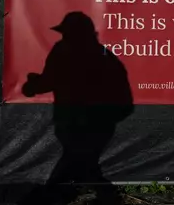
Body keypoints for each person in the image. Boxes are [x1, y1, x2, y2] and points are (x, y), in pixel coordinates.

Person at [22, 12, 134, 184]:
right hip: (96, 122)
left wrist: (32, 86)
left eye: (68, 32)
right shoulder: (104, 55)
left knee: (75, 164)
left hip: (76, 120)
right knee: (84, 164)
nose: (65, 36)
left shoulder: (64, 50)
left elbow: (50, 80)